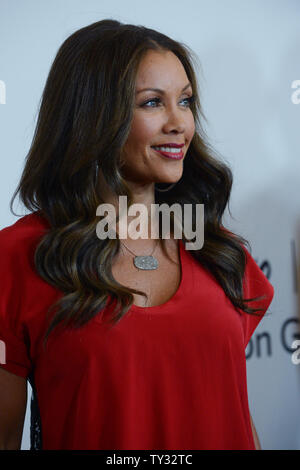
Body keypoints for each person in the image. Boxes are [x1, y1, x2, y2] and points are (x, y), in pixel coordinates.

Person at [0, 19, 274, 450]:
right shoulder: (19, 256)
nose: (180, 123)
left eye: (185, 101)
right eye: (152, 103)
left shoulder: (215, 249)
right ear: (93, 117)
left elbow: (235, 415)